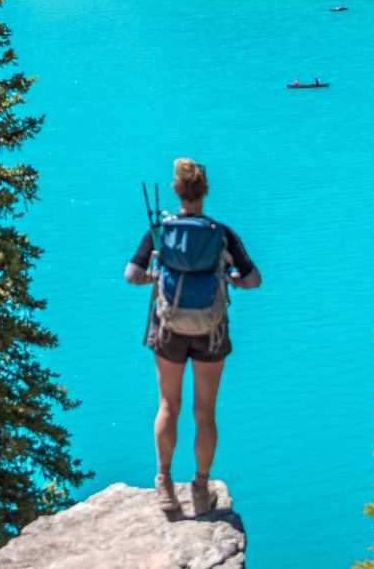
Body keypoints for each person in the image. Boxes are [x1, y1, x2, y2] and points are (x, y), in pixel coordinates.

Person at [125, 157, 261, 517]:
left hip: (168, 327)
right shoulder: (220, 233)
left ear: (176, 190)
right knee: (205, 412)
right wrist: (226, 278)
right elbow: (253, 279)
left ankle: (165, 485)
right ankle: (201, 487)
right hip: (211, 331)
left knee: (168, 406)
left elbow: (131, 274)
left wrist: (157, 278)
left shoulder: (161, 232)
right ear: (206, 191)